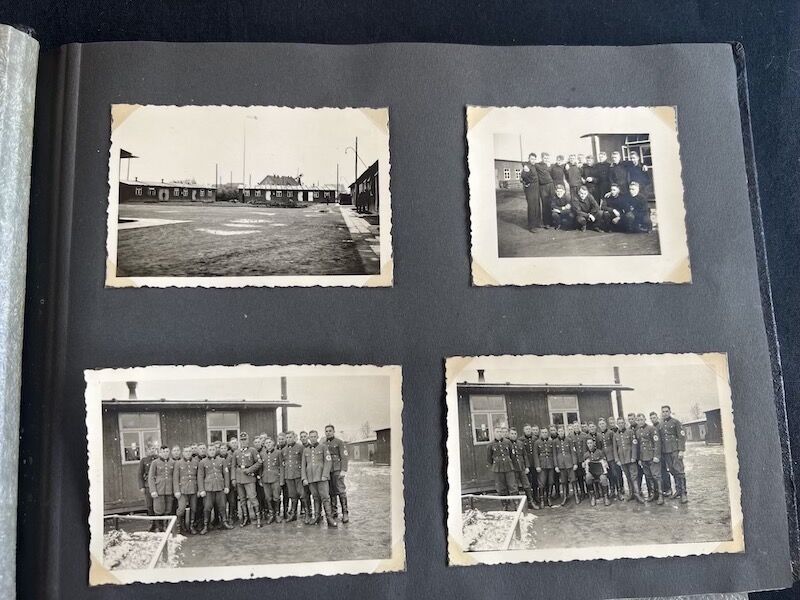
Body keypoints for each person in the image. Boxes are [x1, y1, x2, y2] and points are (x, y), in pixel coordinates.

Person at [301, 430, 338, 527]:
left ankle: (329, 518)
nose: (312, 438)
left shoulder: (323, 447)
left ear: (317, 437)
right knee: (315, 497)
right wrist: (304, 478)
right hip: (311, 478)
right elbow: (303, 465)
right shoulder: (306, 450)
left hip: (322, 477)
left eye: (314, 436)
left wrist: (325, 475)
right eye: (311, 437)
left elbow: (328, 461)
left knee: (325, 498)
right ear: (309, 438)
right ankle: (317, 516)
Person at [197, 444, 233, 534]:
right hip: (208, 488)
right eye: (210, 450)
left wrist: (227, 486)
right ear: (207, 451)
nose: (212, 451)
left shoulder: (222, 460)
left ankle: (224, 522)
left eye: (213, 450)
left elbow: (226, 474)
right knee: (207, 507)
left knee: (222, 505)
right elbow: (200, 476)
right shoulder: (202, 462)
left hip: (220, 487)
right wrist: (201, 489)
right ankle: (206, 525)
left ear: (216, 451)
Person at [232, 432, 262, 528]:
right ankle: (246, 518)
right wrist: (233, 478)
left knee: (253, 498)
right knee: (242, 499)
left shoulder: (252, 450)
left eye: (245, 439)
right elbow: (233, 466)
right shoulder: (236, 452)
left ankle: (258, 519)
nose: (243, 441)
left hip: (249, 477)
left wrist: (250, 470)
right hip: (239, 478)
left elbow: (259, 463)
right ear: (239, 441)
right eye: (242, 440)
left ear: (248, 440)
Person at [661, 405, 688, 503]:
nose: (665, 413)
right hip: (666, 451)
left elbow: (682, 436)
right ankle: (678, 491)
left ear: (670, 412)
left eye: (666, 411)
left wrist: (681, 450)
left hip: (675, 450)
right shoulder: (661, 424)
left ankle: (684, 492)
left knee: (679, 470)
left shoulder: (675, 422)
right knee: (672, 470)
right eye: (663, 412)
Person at [613, 417, 644, 503]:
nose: (620, 424)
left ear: (624, 423)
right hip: (622, 459)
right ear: (617, 424)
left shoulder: (630, 432)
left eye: (622, 423)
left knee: (634, 476)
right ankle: (631, 494)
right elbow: (615, 448)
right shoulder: (615, 435)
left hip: (630, 458)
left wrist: (634, 457)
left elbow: (634, 445)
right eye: (619, 423)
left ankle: (637, 494)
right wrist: (617, 459)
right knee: (628, 477)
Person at [635, 413, 663, 504]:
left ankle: (660, 495)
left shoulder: (651, 429)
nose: (640, 421)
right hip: (644, 458)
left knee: (656, 476)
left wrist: (656, 456)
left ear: (645, 419)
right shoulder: (638, 431)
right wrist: (639, 458)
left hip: (652, 457)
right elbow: (638, 446)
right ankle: (653, 494)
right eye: (638, 420)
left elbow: (657, 443)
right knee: (649, 476)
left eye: (641, 419)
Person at [324, 424, 350, 523]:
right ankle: (334, 512)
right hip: (328, 470)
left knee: (340, 490)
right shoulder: (324, 443)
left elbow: (344, 456)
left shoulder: (339, 442)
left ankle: (345, 513)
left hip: (337, 469)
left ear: (334, 431)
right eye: (326, 431)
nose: (328, 432)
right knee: (331, 491)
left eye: (330, 431)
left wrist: (343, 470)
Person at [487, 427, 518, 509]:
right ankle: (505, 505)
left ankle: (515, 504)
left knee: (512, 486)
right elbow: (489, 459)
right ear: (494, 433)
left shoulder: (508, 442)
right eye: (497, 431)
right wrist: (495, 465)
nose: (499, 433)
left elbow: (512, 455)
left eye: (500, 431)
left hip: (508, 466)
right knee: (501, 488)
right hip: (498, 468)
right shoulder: (490, 445)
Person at [282, 431, 309, 523]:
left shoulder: (300, 447)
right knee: (292, 495)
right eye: (287, 437)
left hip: (298, 475)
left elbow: (304, 462)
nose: (289, 439)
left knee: (302, 495)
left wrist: (304, 476)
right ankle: (293, 514)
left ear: (294, 438)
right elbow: (283, 464)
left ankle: (307, 514)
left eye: (290, 437)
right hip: (289, 476)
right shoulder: (284, 450)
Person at [173, 446, 199, 535]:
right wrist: (176, 490)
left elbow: (198, 477)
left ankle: (191, 526)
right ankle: (179, 526)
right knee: (181, 508)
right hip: (182, 489)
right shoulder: (178, 463)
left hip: (194, 489)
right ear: (183, 453)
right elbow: (175, 478)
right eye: (186, 452)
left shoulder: (196, 462)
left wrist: (199, 489)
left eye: (189, 451)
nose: (188, 453)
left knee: (194, 508)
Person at [508, 428, 535, 509]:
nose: (513, 435)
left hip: (522, 467)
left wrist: (527, 466)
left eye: (515, 434)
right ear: (509, 435)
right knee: (514, 488)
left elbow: (525, 455)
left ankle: (531, 502)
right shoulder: (507, 444)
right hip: (513, 469)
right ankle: (517, 505)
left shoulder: (520, 443)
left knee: (527, 485)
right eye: (512, 434)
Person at [259, 437, 284, 524]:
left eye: (270, 442)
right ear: (264, 445)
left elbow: (281, 466)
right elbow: (261, 467)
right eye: (266, 443)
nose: (268, 444)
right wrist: (260, 479)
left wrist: (281, 480)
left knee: (276, 497)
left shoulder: (278, 453)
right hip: (265, 478)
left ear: (273, 443)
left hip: (275, 478)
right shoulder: (262, 454)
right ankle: (271, 514)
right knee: (268, 498)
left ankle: (277, 514)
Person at [553, 426, 579, 506]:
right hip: (561, 465)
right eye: (559, 431)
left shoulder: (569, 440)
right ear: (558, 432)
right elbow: (554, 454)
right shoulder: (555, 442)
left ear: (564, 432)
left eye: (562, 431)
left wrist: (575, 463)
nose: (561, 433)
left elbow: (573, 453)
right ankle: (564, 497)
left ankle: (576, 496)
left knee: (573, 480)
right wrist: (556, 466)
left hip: (570, 464)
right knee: (563, 481)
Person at [650, 411, 673, 498]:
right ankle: (661, 489)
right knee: (658, 472)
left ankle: (668, 489)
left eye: (654, 418)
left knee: (664, 471)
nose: (653, 419)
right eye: (651, 418)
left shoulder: (661, 426)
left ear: (657, 418)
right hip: (656, 453)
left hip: (663, 452)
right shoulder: (651, 428)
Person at [596, 418, 621, 500]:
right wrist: (603, 458)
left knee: (615, 474)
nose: (602, 425)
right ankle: (612, 490)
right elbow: (599, 448)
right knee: (609, 475)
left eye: (603, 424)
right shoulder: (598, 435)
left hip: (612, 457)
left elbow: (614, 445)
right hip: (605, 458)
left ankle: (619, 491)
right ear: (598, 426)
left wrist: (615, 457)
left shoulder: (611, 433)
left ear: (606, 424)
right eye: (600, 424)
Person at [583, 437, 611, 506]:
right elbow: (585, 466)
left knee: (603, 478)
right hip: (591, 473)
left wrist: (605, 464)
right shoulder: (586, 454)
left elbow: (604, 462)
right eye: (588, 443)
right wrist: (584, 464)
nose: (589, 445)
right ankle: (593, 496)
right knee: (588, 477)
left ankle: (605, 496)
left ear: (594, 443)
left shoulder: (599, 452)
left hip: (600, 472)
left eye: (591, 443)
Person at [138, 442, 159, 532]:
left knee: (157, 506)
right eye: (150, 449)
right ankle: (152, 523)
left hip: (157, 485)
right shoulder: (144, 460)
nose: (152, 450)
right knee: (149, 506)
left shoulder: (158, 459)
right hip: (147, 486)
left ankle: (158, 524)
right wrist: (141, 486)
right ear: (146, 451)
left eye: (153, 449)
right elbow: (140, 474)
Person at [533, 428, 555, 508]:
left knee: (550, 481)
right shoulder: (537, 442)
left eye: (546, 432)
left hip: (550, 464)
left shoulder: (551, 442)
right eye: (543, 432)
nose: (544, 434)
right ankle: (542, 500)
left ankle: (549, 498)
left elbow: (553, 453)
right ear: (540, 433)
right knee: (541, 483)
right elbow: (535, 455)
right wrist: (537, 466)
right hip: (542, 465)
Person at [521, 153, 541, 232]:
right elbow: (523, 176)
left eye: (534, 159)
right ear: (529, 159)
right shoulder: (527, 166)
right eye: (531, 159)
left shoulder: (534, 166)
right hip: (530, 188)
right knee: (532, 206)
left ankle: (537, 223)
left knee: (537, 206)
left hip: (536, 188)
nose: (533, 160)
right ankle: (531, 226)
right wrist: (527, 182)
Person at [521, 424, 539, 508]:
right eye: (526, 429)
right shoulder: (521, 440)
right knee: (527, 482)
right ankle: (529, 499)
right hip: (526, 464)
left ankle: (536, 496)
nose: (528, 431)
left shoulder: (535, 439)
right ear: (524, 431)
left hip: (534, 463)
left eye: (529, 429)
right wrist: (525, 465)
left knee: (535, 481)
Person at [535, 153, 556, 227]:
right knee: (545, 204)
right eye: (545, 158)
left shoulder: (551, 166)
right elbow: (526, 163)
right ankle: (546, 223)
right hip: (543, 187)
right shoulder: (537, 165)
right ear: (542, 158)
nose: (546, 159)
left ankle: (552, 221)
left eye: (547, 158)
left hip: (551, 185)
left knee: (552, 203)